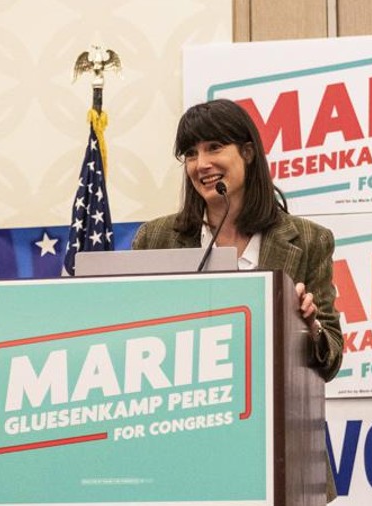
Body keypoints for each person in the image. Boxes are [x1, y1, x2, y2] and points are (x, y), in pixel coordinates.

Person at [132, 98, 343, 501]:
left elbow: (331, 359)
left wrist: (309, 325)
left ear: (247, 152)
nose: (200, 164)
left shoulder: (310, 240)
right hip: (179, 450)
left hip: (277, 450)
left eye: (214, 147)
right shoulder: (154, 239)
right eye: (190, 154)